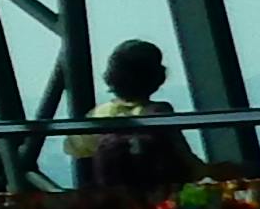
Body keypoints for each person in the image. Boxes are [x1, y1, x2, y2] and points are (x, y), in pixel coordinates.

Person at [74, 40, 197, 198]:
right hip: (159, 201)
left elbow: (76, 149)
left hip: (117, 204)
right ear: (157, 77)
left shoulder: (98, 114)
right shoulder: (158, 113)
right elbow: (186, 161)